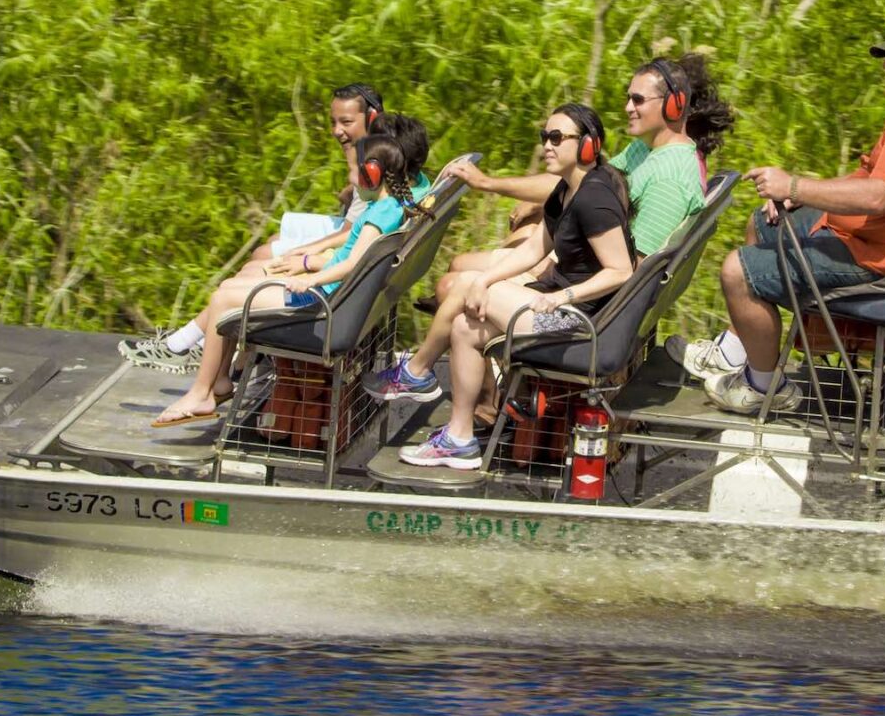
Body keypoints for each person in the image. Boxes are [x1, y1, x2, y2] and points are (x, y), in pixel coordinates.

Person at [370, 54, 733, 403]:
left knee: (458, 288)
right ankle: (466, 411)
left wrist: (556, 289)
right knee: (466, 275)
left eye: (637, 99)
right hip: (579, 275)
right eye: (628, 98)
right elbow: (586, 185)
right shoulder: (647, 151)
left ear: (674, 105)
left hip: (585, 313)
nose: (627, 107)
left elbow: (632, 274)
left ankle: (451, 388)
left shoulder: (668, 179)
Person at [695, 18, 885, 415]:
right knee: (762, 224)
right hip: (878, 243)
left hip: (879, 264)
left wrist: (793, 187)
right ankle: (736, 348)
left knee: (736, 272)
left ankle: (763, 387)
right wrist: (803, 194)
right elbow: (873, 178)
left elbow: (879, 196)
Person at [150, 118, 430, 428]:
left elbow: (355, 263)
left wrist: (309, 277)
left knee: (222, 300)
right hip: (332, 296)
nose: (350, 182)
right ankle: (216, 384)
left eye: (354, 173)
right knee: (233, 288)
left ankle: (201, 393)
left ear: (371, 175)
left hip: (319, 302)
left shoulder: (380, 214)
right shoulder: (393, 206)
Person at [397, 105, 634, 468]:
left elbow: (620, 271)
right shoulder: (564, 191)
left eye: (557, 138)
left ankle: (415, 372)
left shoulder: (595, 198)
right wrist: (490, 279)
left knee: (463, 283)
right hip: (558, 309)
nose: (547, 146)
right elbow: (534, 249)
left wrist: (561, 297)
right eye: (545, 138)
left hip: (577, 323)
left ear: (588, 145)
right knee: (465, 326)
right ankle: (459, 438)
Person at [121, 82, 388, 369]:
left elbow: (353, 232)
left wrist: (306, 255)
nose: (337, 131)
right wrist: (350, 194)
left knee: (261, 260)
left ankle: (193, 343)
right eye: (333, 122)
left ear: (372, 117)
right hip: (353, 233)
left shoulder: (374, 159)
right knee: (268, 245)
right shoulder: (369, 151)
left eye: (346, 122)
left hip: (347, 253)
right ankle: (204, 342)